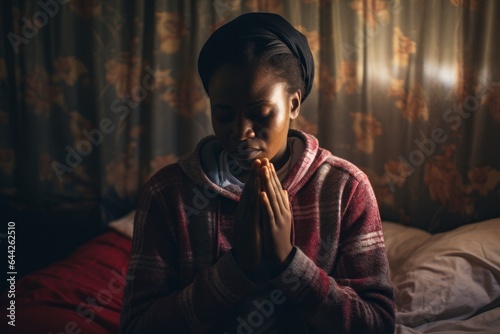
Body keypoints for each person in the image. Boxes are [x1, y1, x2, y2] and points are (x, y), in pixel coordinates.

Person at [121, 12, 395, 334]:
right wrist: (236, 270)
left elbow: (377, 324)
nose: (240, 133)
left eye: (260, 114)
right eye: (223, 115)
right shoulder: (169, 193)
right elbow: (137, 326)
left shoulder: (344, 190)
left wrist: (289, 264)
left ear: (293, 105)